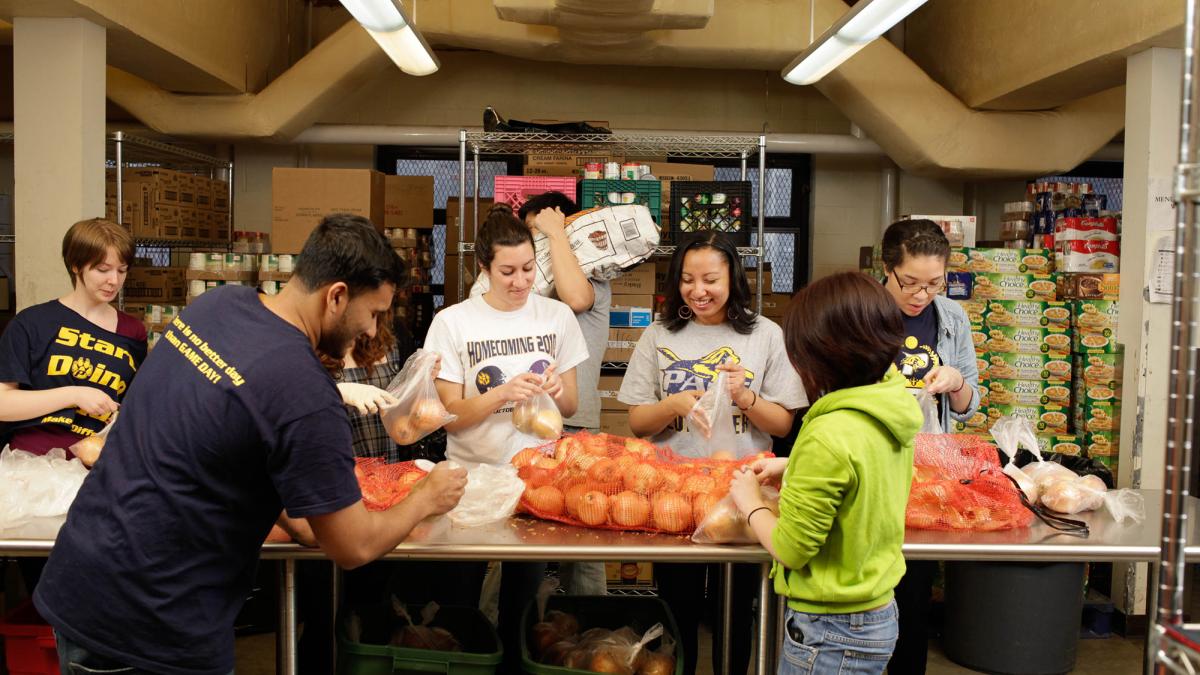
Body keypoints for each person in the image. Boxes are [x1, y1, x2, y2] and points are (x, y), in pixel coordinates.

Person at [33, 214, 468, 675]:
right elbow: (353, 547)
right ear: (336, 295)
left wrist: (305, 520)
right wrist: (426, 497)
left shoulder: (218, 305)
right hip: (152, 622)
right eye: (374, 313)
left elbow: (224, 441)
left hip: (82, 576)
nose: (370, 330)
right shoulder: (305, 391)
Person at [618, 231, 807, 675]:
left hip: (743, 494)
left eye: (710, 279)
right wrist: (673, 405)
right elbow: (637, 422)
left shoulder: (764, 335)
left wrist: (745, 396)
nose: (698, 291)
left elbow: (782, 426)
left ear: (733, 279)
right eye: (687, 279)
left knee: (737, 609)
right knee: (676, 608)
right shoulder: (659, 333)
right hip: (672, 493)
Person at [727, 271, 922, 675]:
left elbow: (792, 548)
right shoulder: (889, 401)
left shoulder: (828, 434)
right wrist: (794, 466)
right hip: (876, 610)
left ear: (820, 356)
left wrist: (749, 504)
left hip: (830, 629)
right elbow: (862, 472)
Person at [426, 203, 589, 669]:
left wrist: (556, 390)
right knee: (460, 604)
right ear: (484, 268)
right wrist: (501, 394)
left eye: (528, 269)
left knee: (522, 606)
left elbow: (573, 405)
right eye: (507, 272)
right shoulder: (454, 323)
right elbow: (449, 416)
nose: (521, 282)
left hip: (535, 483)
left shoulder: (556, 316)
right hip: (471, 483)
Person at [879, 218, 980, 674]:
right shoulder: (860, 309)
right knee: (869, 586)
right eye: (911, 283)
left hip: (926, 470)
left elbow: (968, 405)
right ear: (887, 268)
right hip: (870, 460)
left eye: (934, 284)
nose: (922, 295)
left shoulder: (952, 317)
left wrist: (956, 381)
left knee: (914, 586)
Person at [0, 218, 147, 459]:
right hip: (33, 464)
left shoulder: (133, 332)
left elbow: (134, 408)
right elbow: (3, 404)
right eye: (103, 269)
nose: (114, 281)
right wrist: (74, 394)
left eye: (122, 270)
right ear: (76, 266)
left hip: (97, 466)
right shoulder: (32, 323)